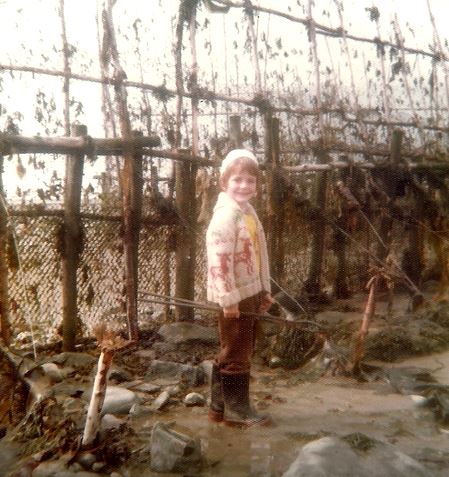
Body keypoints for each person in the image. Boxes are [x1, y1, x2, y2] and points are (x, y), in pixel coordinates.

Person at [206, 148, 273, 426]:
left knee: (237, 346)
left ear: (257, 186)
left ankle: (218, 407)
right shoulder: (225, 217)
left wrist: (265, 289)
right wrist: (228, 298)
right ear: (224, 183)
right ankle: (237, 412)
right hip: (234, 297)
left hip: (250, 292)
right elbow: (219, 262)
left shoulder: (249, 214)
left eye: (250, 181)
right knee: (236, 349)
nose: (244, 186)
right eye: (237, 180)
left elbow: (261, 254)